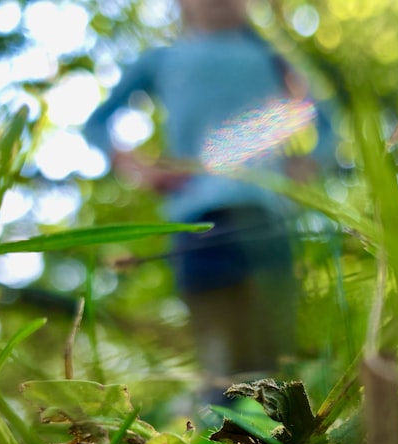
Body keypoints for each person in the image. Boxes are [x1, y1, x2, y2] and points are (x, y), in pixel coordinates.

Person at [83, 0, 335, 410]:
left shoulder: (270, 58)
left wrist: (307, 162)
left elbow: (326, 119)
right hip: (197, 221)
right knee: (218, 348)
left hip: (266, 215)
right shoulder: (163, 60)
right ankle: (223, 441)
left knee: (275, 345)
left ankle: (282, 443)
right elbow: (96, 124)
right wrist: (137, 167)